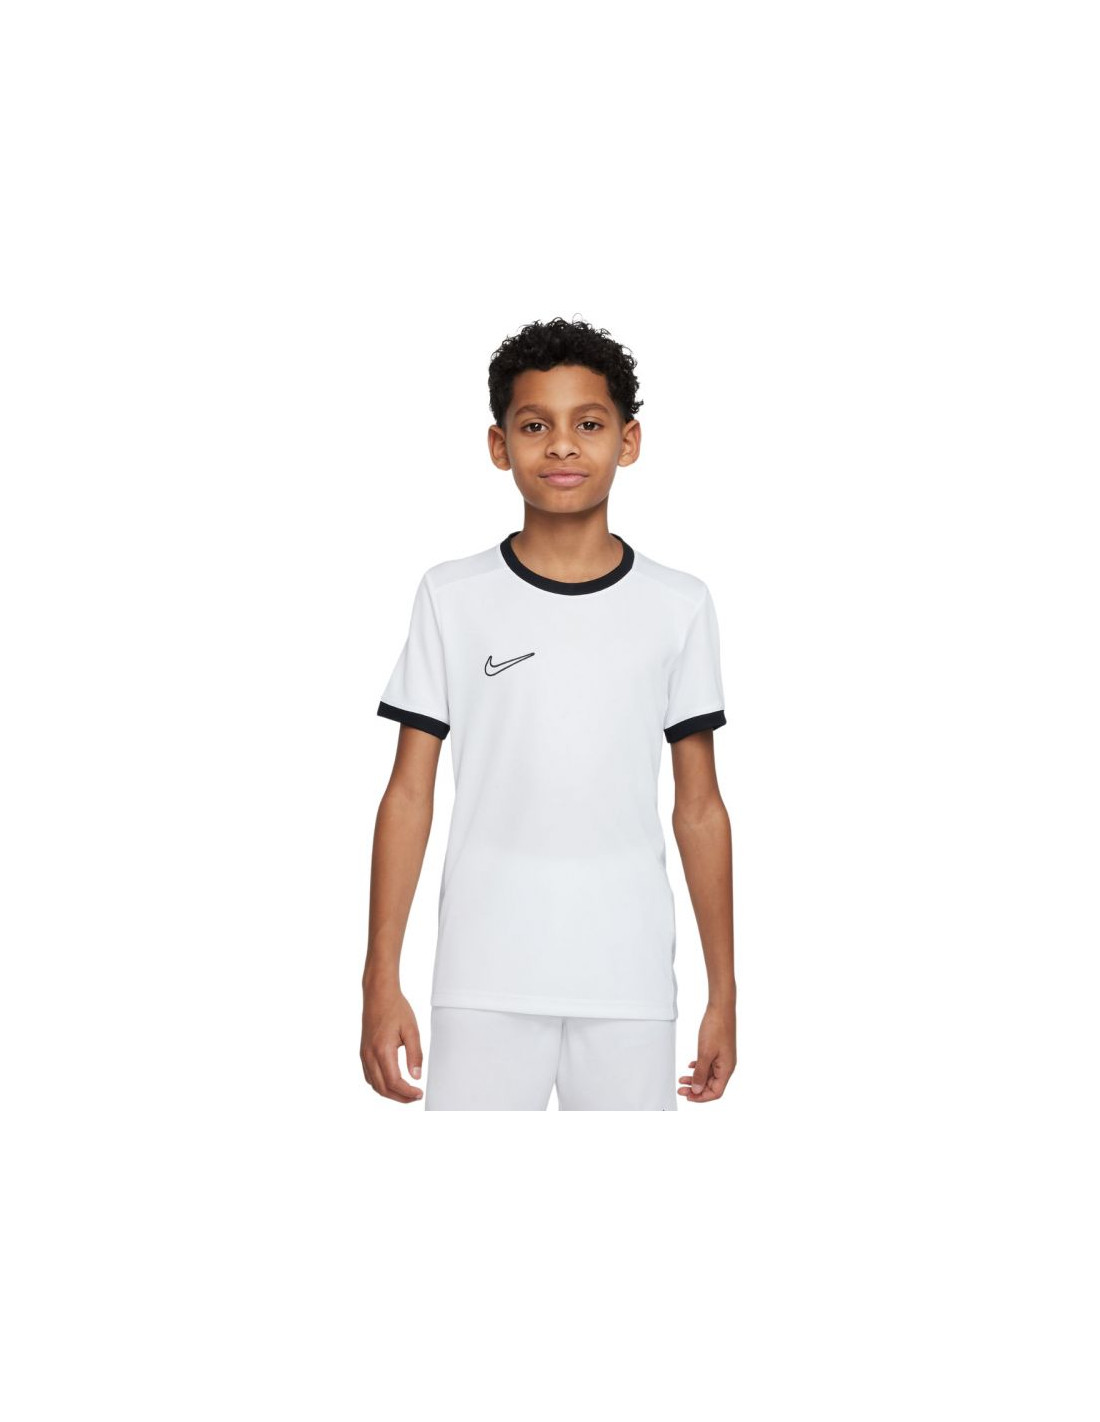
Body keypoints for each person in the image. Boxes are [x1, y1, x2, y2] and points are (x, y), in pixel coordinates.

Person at [360, 317, 737, 1110]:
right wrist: (379, 979)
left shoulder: (679, 606)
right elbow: (408, 794)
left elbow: (699, 808)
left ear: (629, 441)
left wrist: (723, 992)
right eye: (535, 426)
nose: (562, 445)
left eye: (588, 424)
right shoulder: (452, 597)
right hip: (481, 978)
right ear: (500, 446)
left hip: (630, 979)